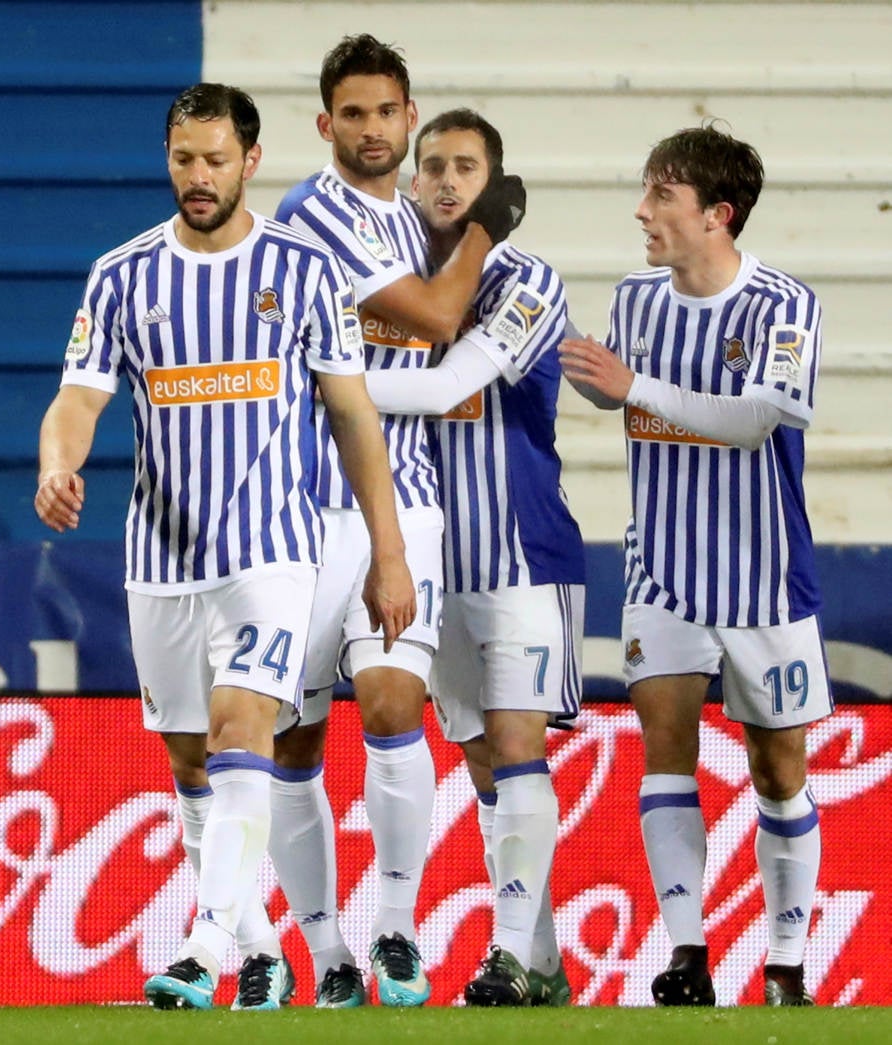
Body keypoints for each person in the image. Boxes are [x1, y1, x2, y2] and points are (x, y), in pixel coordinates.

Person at [34, 82, 415, 1012]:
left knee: (246, 727)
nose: (196, 177)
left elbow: (355, 418)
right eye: (182, 159)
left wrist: (388, 550)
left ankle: (203, 947)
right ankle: (259, 946)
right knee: (191, 761)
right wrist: (56, 464)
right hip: (162, 562)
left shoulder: (304, 272)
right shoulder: (122, 276)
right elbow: (78, 398)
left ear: (250, 161)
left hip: (272, 554)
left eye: (214, 159)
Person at [267, 37, 524, 1009]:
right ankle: (328, 950)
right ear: (327, 125)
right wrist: (494, 220)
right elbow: (433, 316)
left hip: (401, 503)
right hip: (294, 512)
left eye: (388, 112)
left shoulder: (418, 218)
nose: (373, 130)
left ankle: (398, 931)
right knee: (292, 739)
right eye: (355, 114)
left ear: (409, 117)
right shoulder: (314, 213)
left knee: (390, 705)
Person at [559, 123, 831, 1007]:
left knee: (778, 768)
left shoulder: (785, 306)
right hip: (662, 573)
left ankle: (787, 959)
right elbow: (615, 390)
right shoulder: (637, 302)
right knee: (666, 756)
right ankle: (687, 953)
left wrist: (631, 387)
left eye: (662, 197)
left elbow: (760, 418)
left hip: (764, 578)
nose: (642, 211)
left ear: (718, 214)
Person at [363, 108, 585, 1007]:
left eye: (467, 166)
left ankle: (501, 958)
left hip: (524, 553)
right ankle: (542, 962)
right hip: (432, 562)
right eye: (435, 166)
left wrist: (311, 376)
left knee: (519, 745)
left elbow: (450, 383)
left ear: (492, 182)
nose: (448, 180)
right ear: (413, 183)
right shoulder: (401, 286)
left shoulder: (528, 279)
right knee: (487, 762)